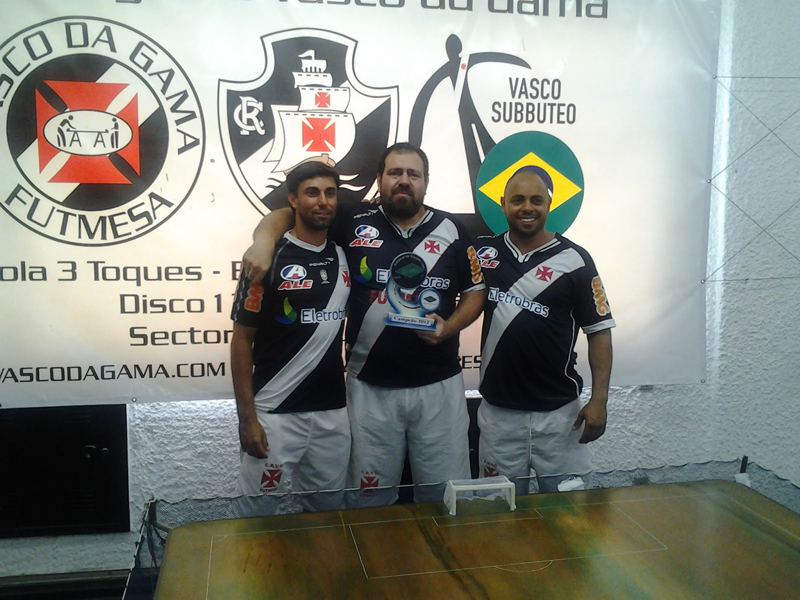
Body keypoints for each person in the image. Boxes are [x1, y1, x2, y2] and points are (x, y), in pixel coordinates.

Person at [243, 143, 486, 505]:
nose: (404, 181)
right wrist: (263, 241)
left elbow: (476, 292)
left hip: (439, 387)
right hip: (369, 388)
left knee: (446, 495)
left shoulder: (452, 228)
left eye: (413, 174)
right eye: (395, 173)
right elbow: (283, 214)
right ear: (380, 179)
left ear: (426, 181)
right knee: (369, 498)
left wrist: (450, 328)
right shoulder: (352, 219)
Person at [477, 165, 615, 495]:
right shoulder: (483, 254)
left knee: (570, 517)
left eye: (536, 200)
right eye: (518, 199)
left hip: (560, 417)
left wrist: (599, 400)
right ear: (503, 204)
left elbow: (599, 332)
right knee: (497, 514)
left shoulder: (576, 260)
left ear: (549, 205)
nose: (527, 207)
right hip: (498, 416)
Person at [230, 161, 351, 511]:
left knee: (326, 516)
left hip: (332, 414)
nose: (323, 201)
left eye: (330, 193)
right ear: (293, 200)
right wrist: (247, 419)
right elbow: (241, 342)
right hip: (275, 413)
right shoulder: (265, 261)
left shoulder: (345, 252)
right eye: (312, 193)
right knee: (254, 518)